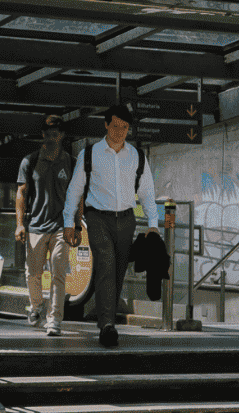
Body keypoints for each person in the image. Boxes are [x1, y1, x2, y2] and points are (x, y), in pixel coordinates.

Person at [62, 104, 163, 349]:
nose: (120, 131)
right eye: (116, 126)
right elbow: (75, 190)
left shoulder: (137, 157)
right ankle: (107, 325)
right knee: (106, 263)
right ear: (106, 125)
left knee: (118, 270)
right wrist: (68, 222)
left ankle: (107, 318)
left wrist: (153, 224)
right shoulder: (90, 154)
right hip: (97, 217)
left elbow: (147, 193)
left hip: (126, 219)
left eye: (125, 127)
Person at [15, 114, 73, 336]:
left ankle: (54, 320)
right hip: (36, 226)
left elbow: (77, 196)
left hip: (61, 226)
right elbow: (21, 193)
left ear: (62, 135)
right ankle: (36, 306)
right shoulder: (30, 161)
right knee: (33, 273)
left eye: (55, 134)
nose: (51, 138)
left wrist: (76, 225)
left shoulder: (71, 162)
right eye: (47, 134)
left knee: (58, 271)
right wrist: (19, 224)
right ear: (42, 134)